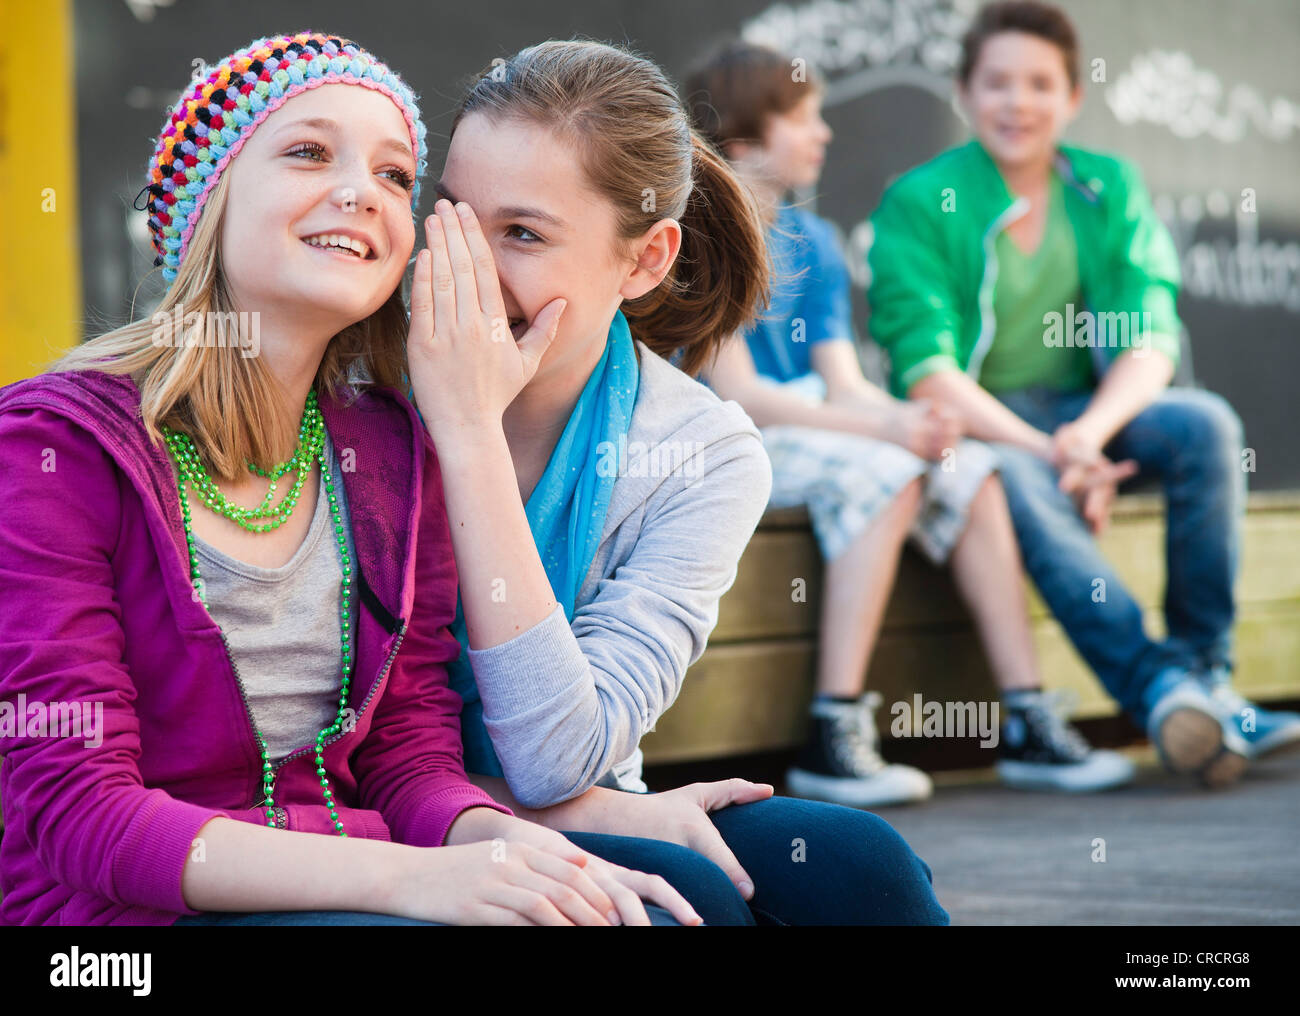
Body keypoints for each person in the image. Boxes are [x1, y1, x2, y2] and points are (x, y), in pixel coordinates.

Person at [0, 31, 700, 927]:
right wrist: (411, 880)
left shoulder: (391, 450)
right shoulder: (56, 446)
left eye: (396, 176)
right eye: (307, 152)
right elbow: (80, 816)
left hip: (355, 881)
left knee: (662, 908)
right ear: (209, 196)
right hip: (122, 928)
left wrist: (501, 839)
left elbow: (408, 758)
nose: (358, 192)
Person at [408, 38, 949, 925]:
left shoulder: (702, 451)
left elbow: (556, 757)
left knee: (864, 867)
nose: (465, 265)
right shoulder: (364, 391)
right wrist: (463, 429)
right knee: (682, 909)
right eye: (453, 215)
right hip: (379, 816)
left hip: (566, 788)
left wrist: (590, 805)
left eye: (523, 233)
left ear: (646, 260)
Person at [866, 0, 1300, 787]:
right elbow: (928, 371)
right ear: (964, 92)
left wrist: (1089, 435)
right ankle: (1161, 688)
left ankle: (1208, 679)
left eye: (1039, 84)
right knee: (1020, 475)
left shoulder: (1109, 187)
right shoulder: (921, 200)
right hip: (983, 424)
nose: (1017, 102)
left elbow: (1150, 339)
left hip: (1083, 415)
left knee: (1206, 423)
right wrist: (1050, 449)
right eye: (996, 83)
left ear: (1072, 98)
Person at [686, 40, 1134, 802]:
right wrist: (888, 435)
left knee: (973, 466)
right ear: (744, 137)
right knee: (891, 468)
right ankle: (835, 729)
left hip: (812, 427)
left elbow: (844, 384)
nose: (823, 133)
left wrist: (914, 419)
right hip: (721, 441)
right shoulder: (701, 234)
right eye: (803, 118)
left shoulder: (817, 242)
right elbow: (745, 400)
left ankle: (1025, 715)